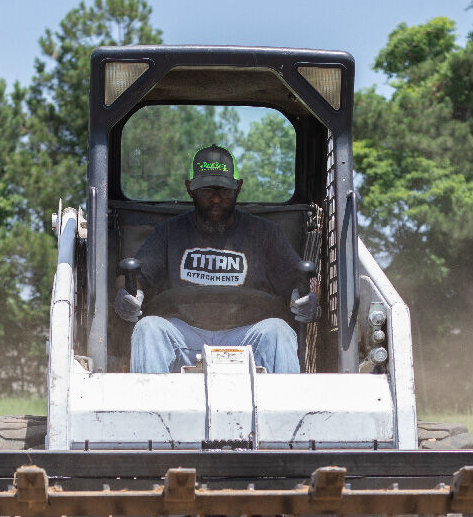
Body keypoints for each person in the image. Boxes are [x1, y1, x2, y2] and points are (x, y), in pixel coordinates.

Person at [114, 144, 319, 373]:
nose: (215, 199)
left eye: (224, 190)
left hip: (247, 335)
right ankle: (150, 408)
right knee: (148, 328)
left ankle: (288, 409)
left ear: (238, 188)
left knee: (279, 332)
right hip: (184, 337)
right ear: (190, 189)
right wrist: (127, 295)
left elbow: (300, 280)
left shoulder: (265, 234)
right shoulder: (169, 232)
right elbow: (132, 278)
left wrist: (307, 297)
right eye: (206, 191)